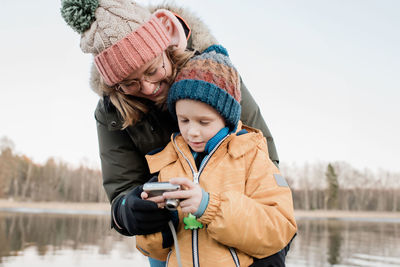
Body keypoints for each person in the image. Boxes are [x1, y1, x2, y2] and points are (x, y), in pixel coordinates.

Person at [60, 0, 292, 266]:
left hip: (241, 235)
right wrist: (128, 212)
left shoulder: (216, 78)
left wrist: (271, 249)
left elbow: (265, 162)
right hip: (174, 241)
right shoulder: (111, 112)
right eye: (129, 83)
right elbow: (122, 188)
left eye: (152, 70)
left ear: (166, 47)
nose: (147, 87)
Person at [135, 45, 297, 267]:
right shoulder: (167, 161)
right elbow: (152, 251)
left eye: (204, 122)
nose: (192, 131)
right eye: (184, 120)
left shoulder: (251, 156)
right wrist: (156, 222)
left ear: (226, 119)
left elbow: (280, 228)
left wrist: (209, 207)